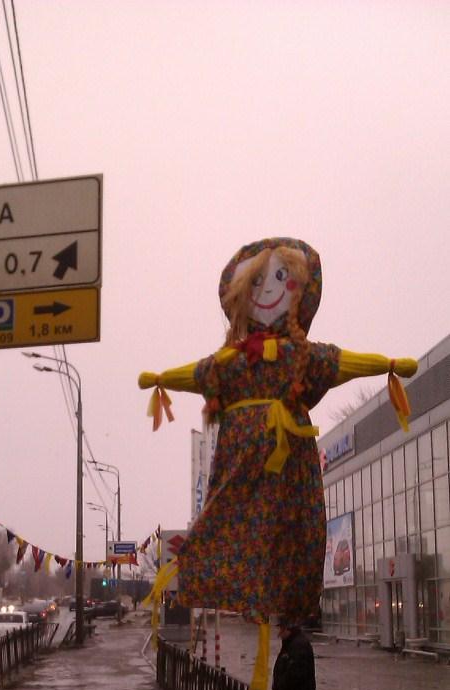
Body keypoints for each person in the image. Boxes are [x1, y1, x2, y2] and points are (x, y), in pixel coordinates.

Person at [138, 236, 418, 629]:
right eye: (256, 282)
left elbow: (343, 363)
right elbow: (198, 373)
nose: (268, 289)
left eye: (281, 278)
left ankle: (291, 610)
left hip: (291, 463)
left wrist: (387, 365)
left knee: (298, 528)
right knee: (227, 519)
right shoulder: (232, 361)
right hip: (241, 464)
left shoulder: (302, 355)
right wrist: (162, 378)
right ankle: (234, 591)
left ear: (302, 291)